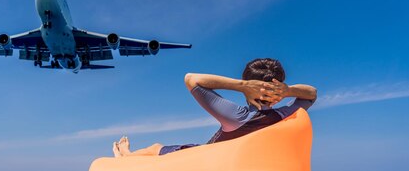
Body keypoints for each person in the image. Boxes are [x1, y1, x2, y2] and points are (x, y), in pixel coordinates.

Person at [112, 58, 317, 157]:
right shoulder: (284, 115)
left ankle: (126, 157)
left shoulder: (238, 117)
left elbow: (191, 79)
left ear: (248, 83)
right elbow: (311, 94)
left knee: (155, 147)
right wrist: (287, 91)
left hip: (203, 157)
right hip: (236, 158)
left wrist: (242, 86)